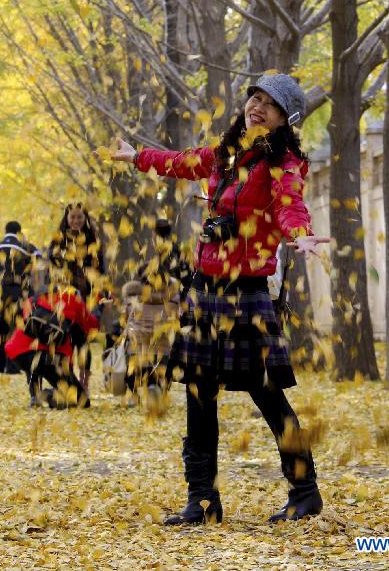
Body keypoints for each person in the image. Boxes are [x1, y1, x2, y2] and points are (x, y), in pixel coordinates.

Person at [105, 74, 328, 525]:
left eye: (270, 103)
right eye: (254, 98)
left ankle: (305, 492)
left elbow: (290, 205)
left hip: (246, 297)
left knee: (268, 397)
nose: (257, 107)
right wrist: (136, 157)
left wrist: (299, 236)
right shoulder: (225, 154)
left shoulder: (283, 163)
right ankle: (202, 501)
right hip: (205, 295)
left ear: (287, 119)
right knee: (198, 395)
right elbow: (182, 161)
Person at [4, 287, 99, 408]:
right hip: (47, 358)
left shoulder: (35, 298)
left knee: (36, 361)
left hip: (17, 352)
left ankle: (36, 396)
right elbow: (93, 325)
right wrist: (99, 308)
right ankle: (47, 395)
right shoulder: (74, 301)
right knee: (82, 400)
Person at [121, 219, 183, 400]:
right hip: (162, 344)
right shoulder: (171, 297)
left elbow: (126, 318)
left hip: (138, 343)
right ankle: (159, 390)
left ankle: (134, 393)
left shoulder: (134, 296)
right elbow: (177, 316)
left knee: (135, 364)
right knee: (163, 365)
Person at [48, 203, 105, 393]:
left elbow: (100, 270)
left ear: (85, 218)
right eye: (72, 217)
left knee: (83, 341)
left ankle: (85, 383)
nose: (75, 221)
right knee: (64, 339)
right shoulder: (59, 240)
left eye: (79, 217)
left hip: (88, 298)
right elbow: (52, 266)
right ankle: (69, 380)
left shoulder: (93, 240)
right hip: (64, 297)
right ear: (66, 218)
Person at [0, 221, 36, 373]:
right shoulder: (26, 247)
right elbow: (39, 258)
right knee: (15, 328)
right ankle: (13, 366)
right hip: (18, 291)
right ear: (19, 231)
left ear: (5, 230)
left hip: (0, 293)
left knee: (0, 328)